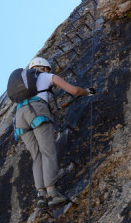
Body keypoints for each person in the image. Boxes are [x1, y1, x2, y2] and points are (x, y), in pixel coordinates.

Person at [15, 56, 94, 209]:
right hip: (36, 111)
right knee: (48, 152)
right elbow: (74, 90)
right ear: (45, 68)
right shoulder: (46, 76)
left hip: (19, 117)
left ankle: (41, 196)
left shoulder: (24, 85)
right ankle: (52, 193)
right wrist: (87, 91)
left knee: (36, 156)